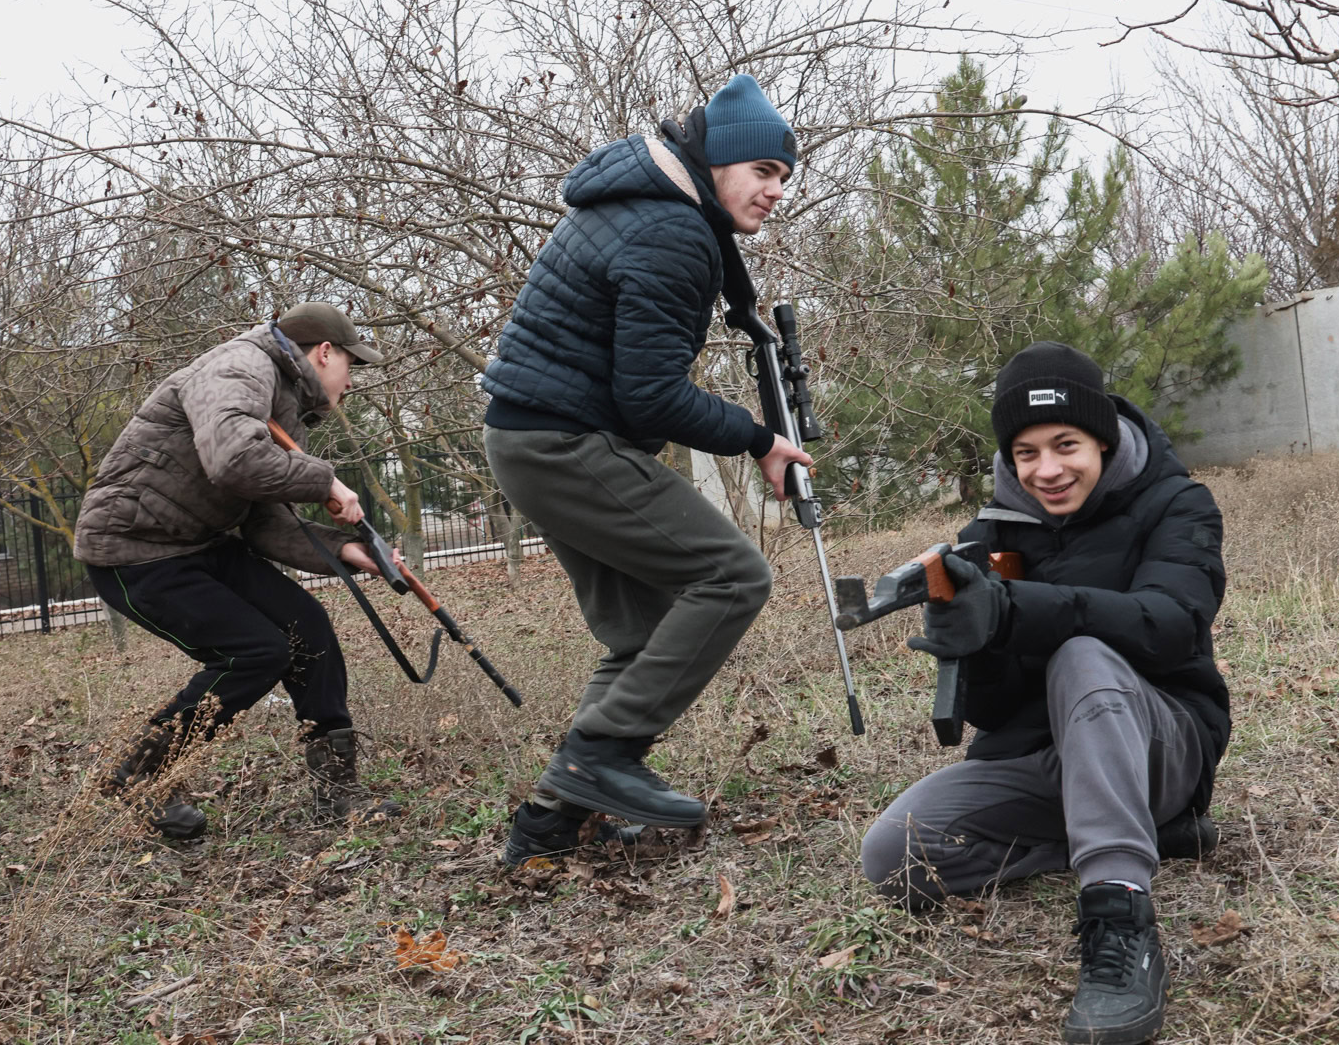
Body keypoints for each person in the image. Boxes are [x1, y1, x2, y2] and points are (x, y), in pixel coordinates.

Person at [858, 341, 1230, 1045]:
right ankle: (1152, 831)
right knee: (897, 855)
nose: (1048, 470)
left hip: (1162, 740)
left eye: (1066, 444)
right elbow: (995, 715)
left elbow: (1172, 624)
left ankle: (1120, 918)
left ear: (1103, 437)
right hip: (1053, 758)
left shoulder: (1178, 504)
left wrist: (1015, 609)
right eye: (1026, 452)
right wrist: (975, 641)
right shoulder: (990, 537)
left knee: (1083, 654)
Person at [480, 73, 812, 866]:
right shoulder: (673, 231)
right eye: (765, 172)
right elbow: (653, 394)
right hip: (561, 442)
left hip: (536, 438)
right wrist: (759, 437)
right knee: (733, 576)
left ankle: (549, 822)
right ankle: (600, 756)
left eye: (783, 179)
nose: (775, 192)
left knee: (640, 630)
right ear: (722, 162)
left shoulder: (656, 210)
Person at [74, 302, 402, 838]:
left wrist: (344, 550)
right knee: (256, 651)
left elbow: (259, 519)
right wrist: (326, 482)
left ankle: (338, 794)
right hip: (135, 548)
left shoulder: (281, 395)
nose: (352, 381)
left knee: (306, 628)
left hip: (200, 542)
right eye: (352, 364)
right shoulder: (238, 368)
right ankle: (139, 778)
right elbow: (234, 460)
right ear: (324, 353)